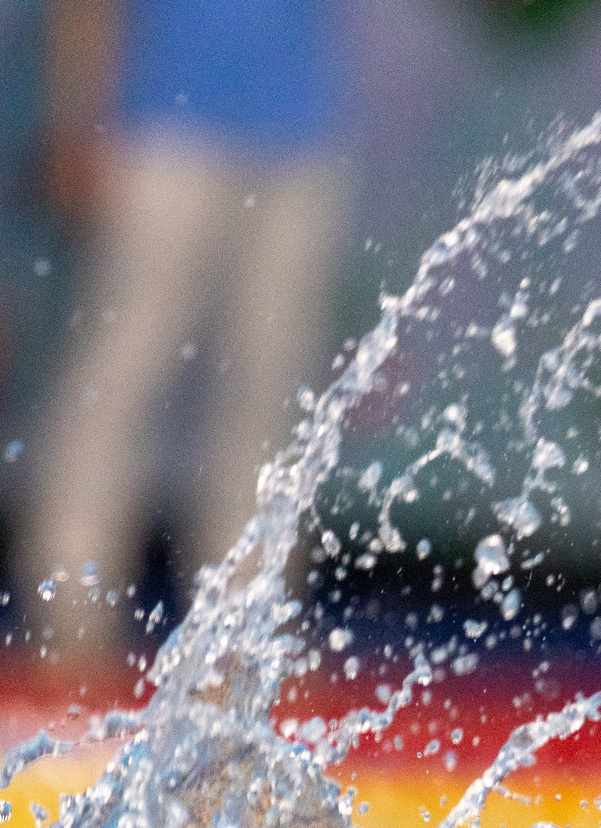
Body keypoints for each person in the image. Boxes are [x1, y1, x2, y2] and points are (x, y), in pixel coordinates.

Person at [14, 0, 350, 676]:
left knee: (270, 393)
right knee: (119, 374)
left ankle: (249, 626)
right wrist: (79, 115)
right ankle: (69, 613)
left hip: (302, 126)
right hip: (159, 124)